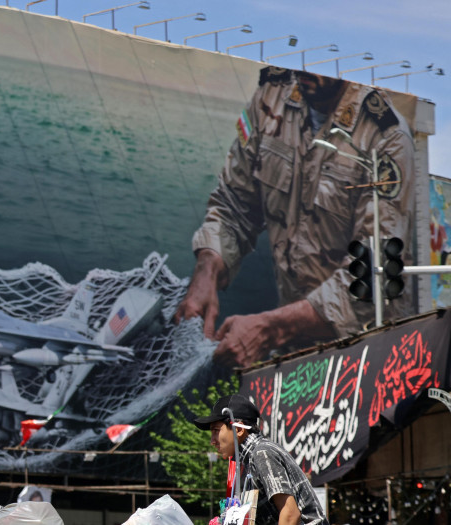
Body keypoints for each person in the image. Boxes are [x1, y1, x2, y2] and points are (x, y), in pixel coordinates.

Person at [174, 66, 414, 367]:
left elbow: (372, 277)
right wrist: (206, 270)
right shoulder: (272, 98)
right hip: (293, 355)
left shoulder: (385, 136)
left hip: (367, 358)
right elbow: (234, 204)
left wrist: (270, 328)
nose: (303, 68)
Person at [194, 394, 328, 525]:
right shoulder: (249, 459)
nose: (212, 441)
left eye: (216, 431)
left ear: (239, 429)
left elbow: (290, 514)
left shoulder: (262, 453)